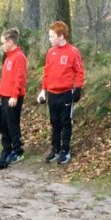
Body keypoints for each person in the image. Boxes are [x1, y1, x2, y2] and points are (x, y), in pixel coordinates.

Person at [36, 21, 85, 164]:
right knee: (54, 122)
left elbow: (79, 71)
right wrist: (43, 91)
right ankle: (55, 149)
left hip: (66, 94)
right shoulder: (51, 52)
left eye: (52, 36)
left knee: (65, 122)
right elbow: (47, 72)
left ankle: (65, 150)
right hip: (52, 93)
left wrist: (78, 89)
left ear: (61, 36)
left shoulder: (73, 52)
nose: (50, 39)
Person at [0, 28, 28, 165]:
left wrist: (14, 95)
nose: (1, 46)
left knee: (12, 124)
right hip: (4, 96)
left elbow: (19, 79)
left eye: (3, 43)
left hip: (13, 98)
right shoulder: (8, 57)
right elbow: (5, 78)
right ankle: (6, 149)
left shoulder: (19, 57)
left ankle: (17, 151)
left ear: (10, 42)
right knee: (4, 124)